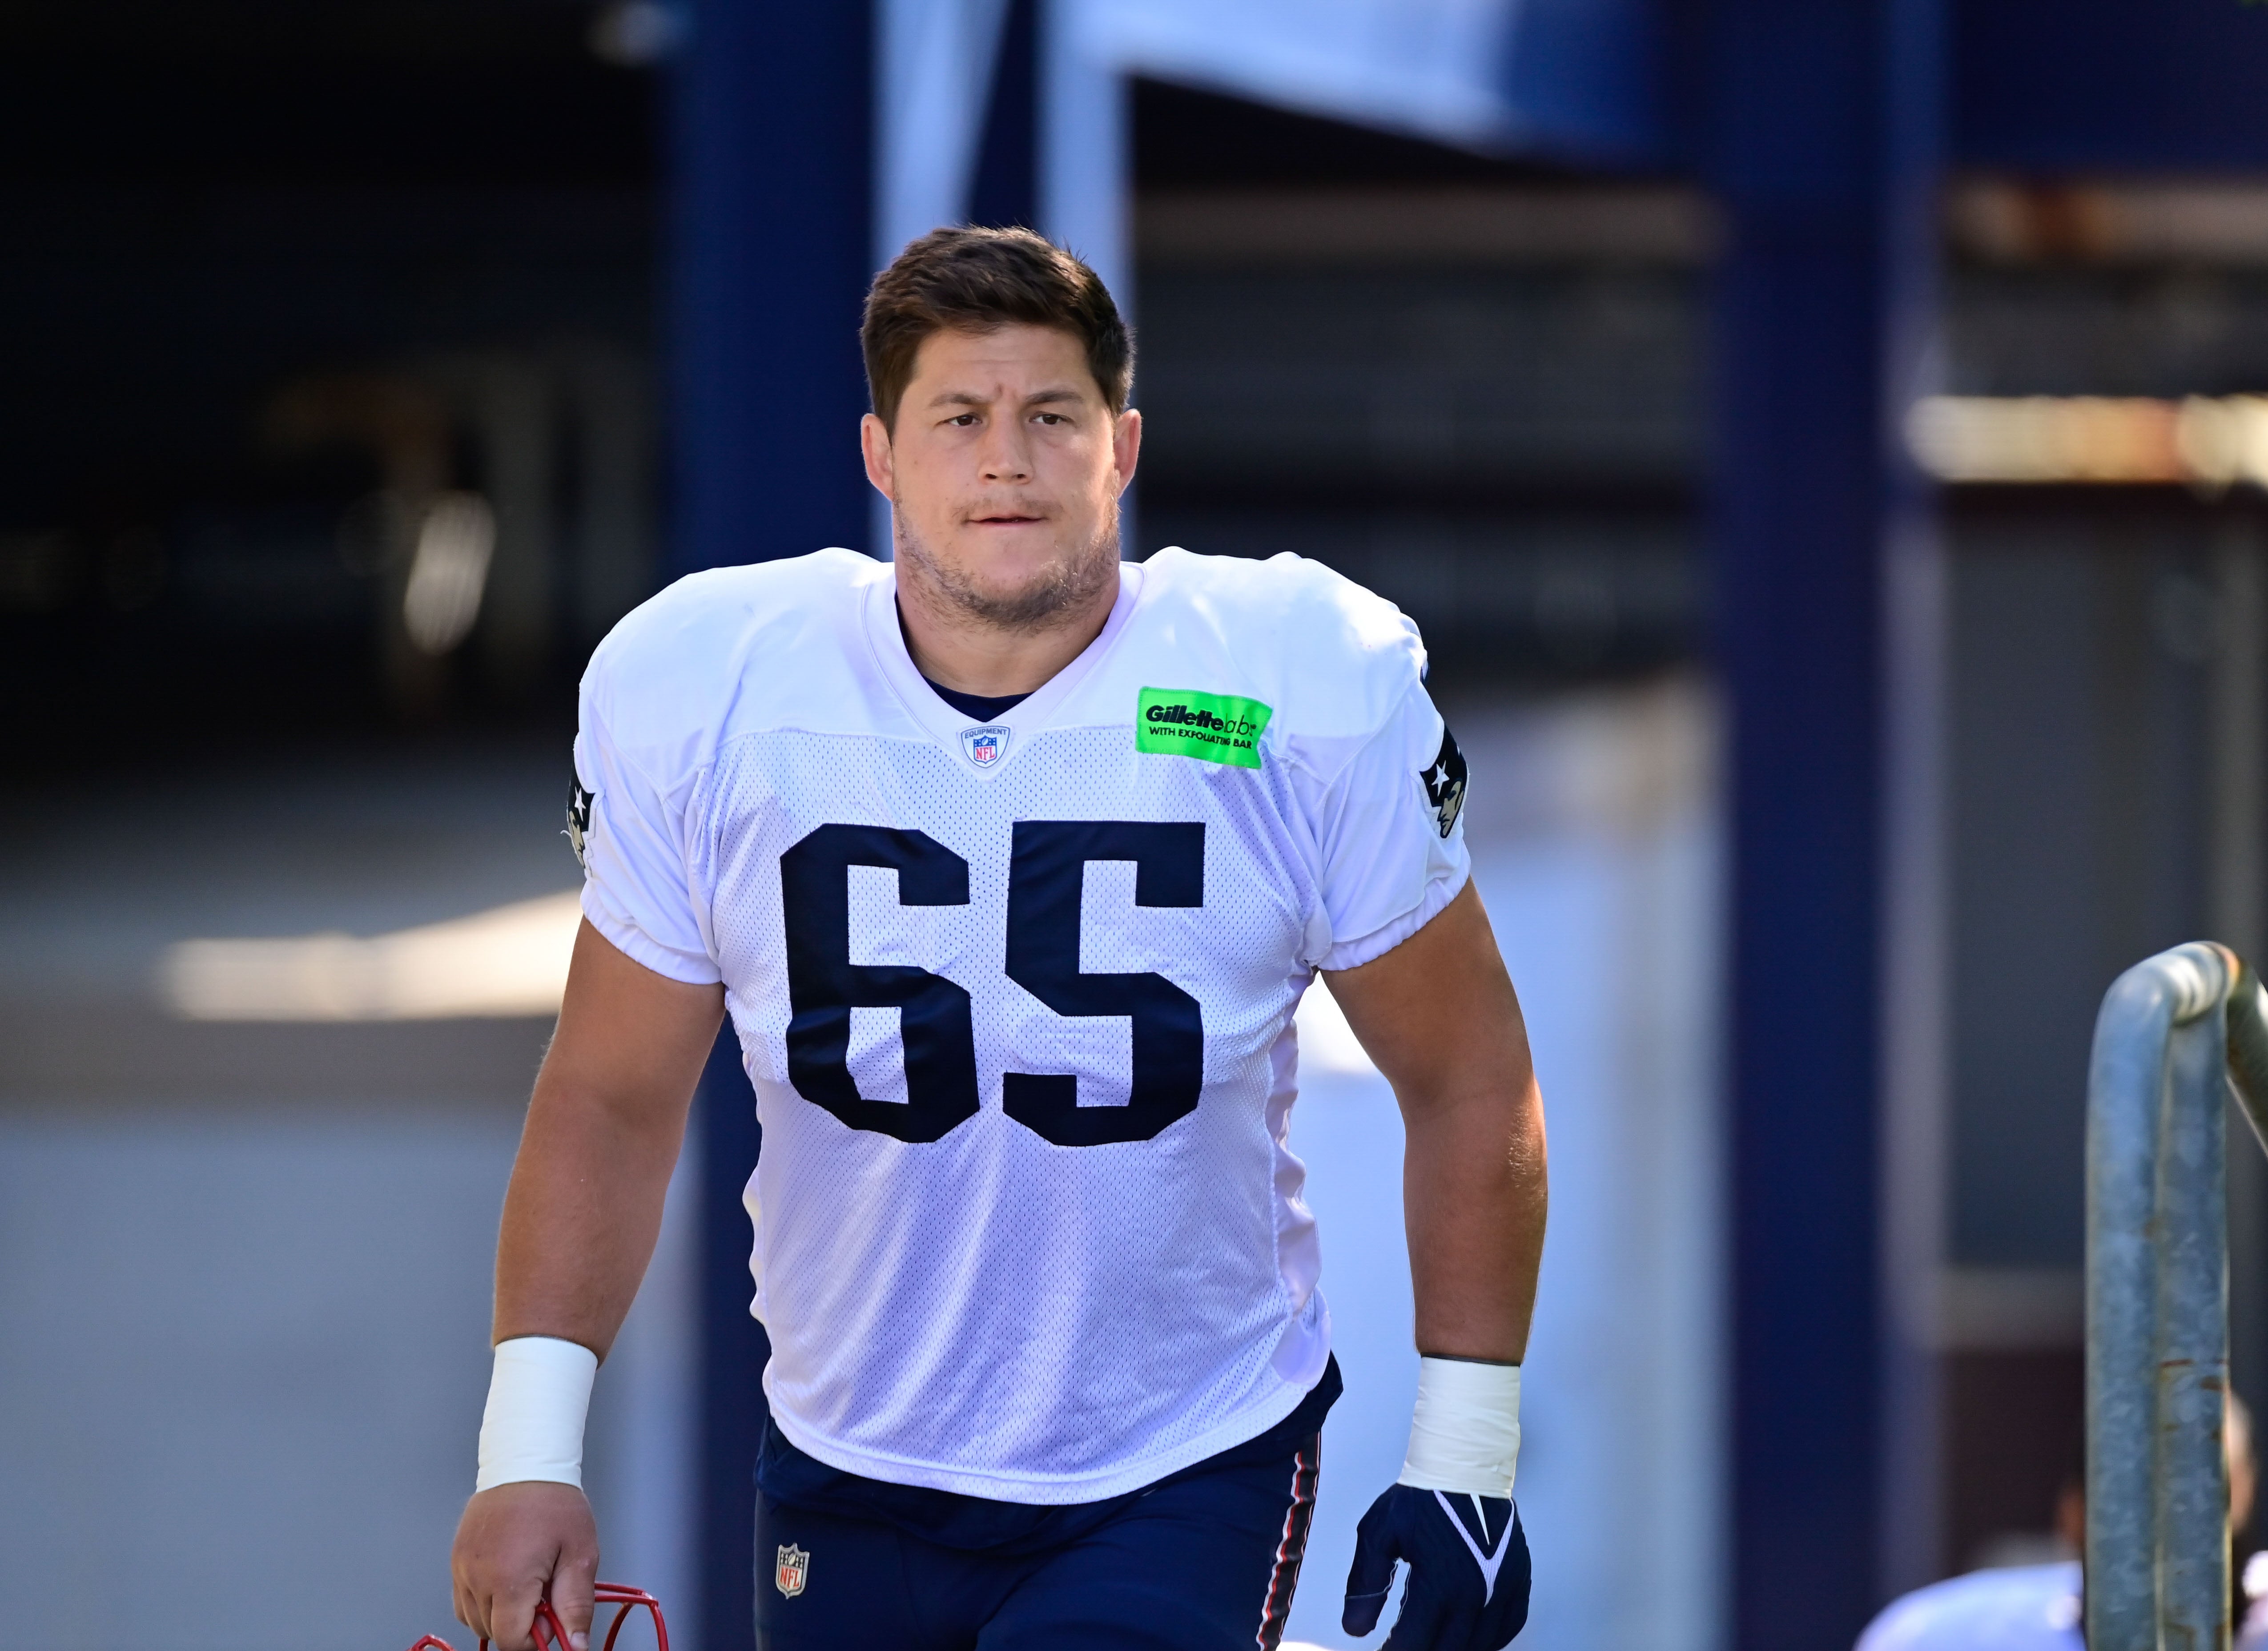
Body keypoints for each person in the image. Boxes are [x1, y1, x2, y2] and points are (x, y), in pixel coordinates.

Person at [446, 226, 1549, 1651]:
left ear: (1123, 445)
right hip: (848, 1452)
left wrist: (1467, 1452)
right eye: (958, 418)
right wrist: (526, 1445)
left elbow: (1466, 1071)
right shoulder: (708, 688)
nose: (1005, 460)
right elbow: (609, 1093)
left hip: (1177, 1457)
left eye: (1050, 416)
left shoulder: (1289, 684)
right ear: (880, 456)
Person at [1857, 1396, 2268, 1651]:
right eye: (2143, 1489)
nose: (2179, 1522)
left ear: (2247, 1488)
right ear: (2073, 1510)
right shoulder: (1939, 1636)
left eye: (2208, 1488)